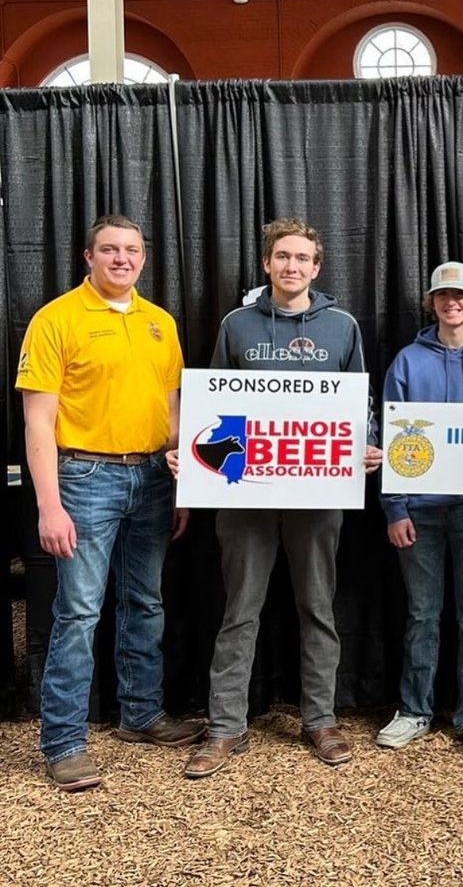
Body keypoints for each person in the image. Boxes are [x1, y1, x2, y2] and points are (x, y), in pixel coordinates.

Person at [178, 217, 383, 778]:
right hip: (245, 492)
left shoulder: (341, 326)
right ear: (267, 263)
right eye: (283, 257)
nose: (292, 266)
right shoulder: (237, 324)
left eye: (303, 258)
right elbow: (214, 402)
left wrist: (366, 444)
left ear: (317, 268)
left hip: (319, 492)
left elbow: (360, 403)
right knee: (239, 610)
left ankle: (321, 719)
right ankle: (225, 726)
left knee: (317, 606)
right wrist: (191, 450)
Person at [16, 213, 203, 792]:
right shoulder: (56, 319)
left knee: (145, 602)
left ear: (143, 258)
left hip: (152, 476)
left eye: (132, 250)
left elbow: (172, 410)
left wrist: (185, 484)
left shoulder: (159, 322)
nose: (122, 259)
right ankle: (64, 742)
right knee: (78, 612)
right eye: (110, 250)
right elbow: (38, 420)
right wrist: (49, 505)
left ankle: (141, 714)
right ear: (89, 257)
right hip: (83, 476)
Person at [376, 261, 463, 755]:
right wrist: (395, 509)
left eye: (461, 296)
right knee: (422, 615)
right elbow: (389, 435)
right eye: (444, 296)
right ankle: (414, 711)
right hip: (420, 513)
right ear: (432, 303)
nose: (453, 303)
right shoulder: (408, 361)